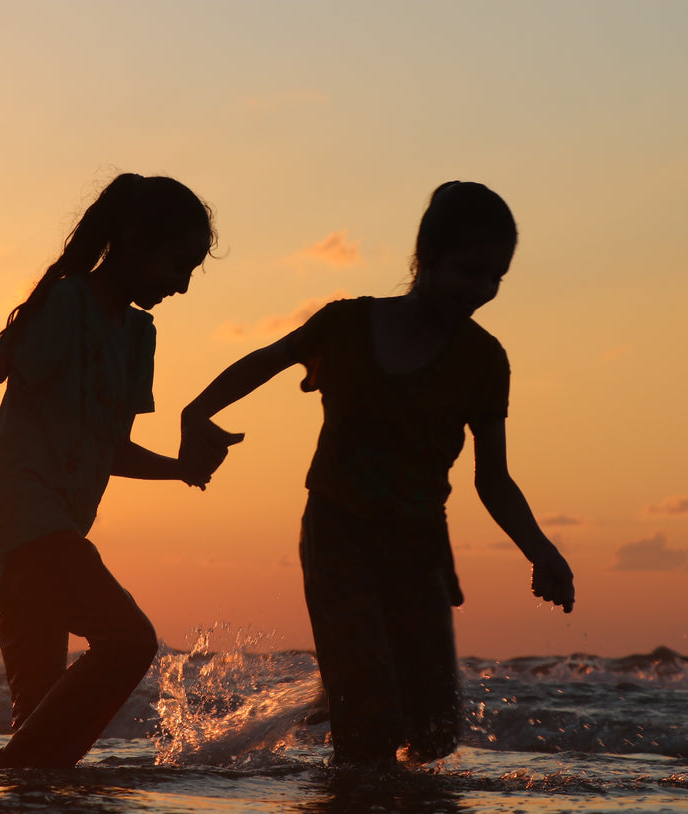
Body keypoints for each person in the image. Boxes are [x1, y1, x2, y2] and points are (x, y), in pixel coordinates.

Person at [181, 181, 574, 768]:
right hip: (338, 532)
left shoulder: (483, 360)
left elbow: (492, 478)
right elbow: (265, 361)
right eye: (469, 271)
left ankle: (351, 715)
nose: (482, 290)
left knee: (436, 732)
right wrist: (196, 413)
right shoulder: (346, 326)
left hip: (418, 546)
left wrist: (541, 550)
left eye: (496, 278)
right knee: (371, 726)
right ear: (428, 256)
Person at [0, 173, 236, 768]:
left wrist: (180, 469)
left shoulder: (139, 334)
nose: (183, 285)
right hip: (17, 510)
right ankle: (15, 789)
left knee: (38, 722)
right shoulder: (67, 303)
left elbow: (109, 449)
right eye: (179, 264)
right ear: (135, 240)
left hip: (54, 522)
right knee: (130, 640)